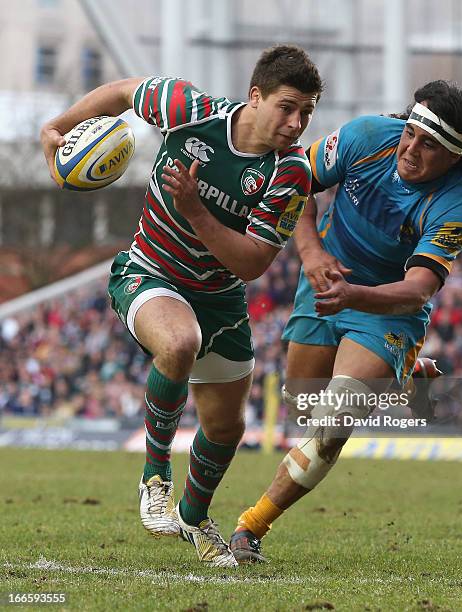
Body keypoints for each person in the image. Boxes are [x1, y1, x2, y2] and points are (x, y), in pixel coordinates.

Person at [41, 45, 323, 567]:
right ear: (254, 97)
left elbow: (252, 264)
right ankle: (154, 479)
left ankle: (194, 516)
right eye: (287, 106)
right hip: (149, 271)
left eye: (307, 111)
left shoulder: (291, 175)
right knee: (178, 342)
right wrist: (58, 125)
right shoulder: (189, 111)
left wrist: (195, 209)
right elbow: (123, 92)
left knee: (225, 429)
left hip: (219, 294)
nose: (296, 121)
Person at [229, 80, 462, 563]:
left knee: (332, 424)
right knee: (304, 408)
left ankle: (251, 526)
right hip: (325, 281)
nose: (411, 149)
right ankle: (403, 380)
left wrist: (352, 294)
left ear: (455, 158)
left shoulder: (456, 205)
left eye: (429, 146)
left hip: (387, 308)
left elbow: (417, 289)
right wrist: (311, 254)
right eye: (411, 133)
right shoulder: (366, 136)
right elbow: (295, 181)